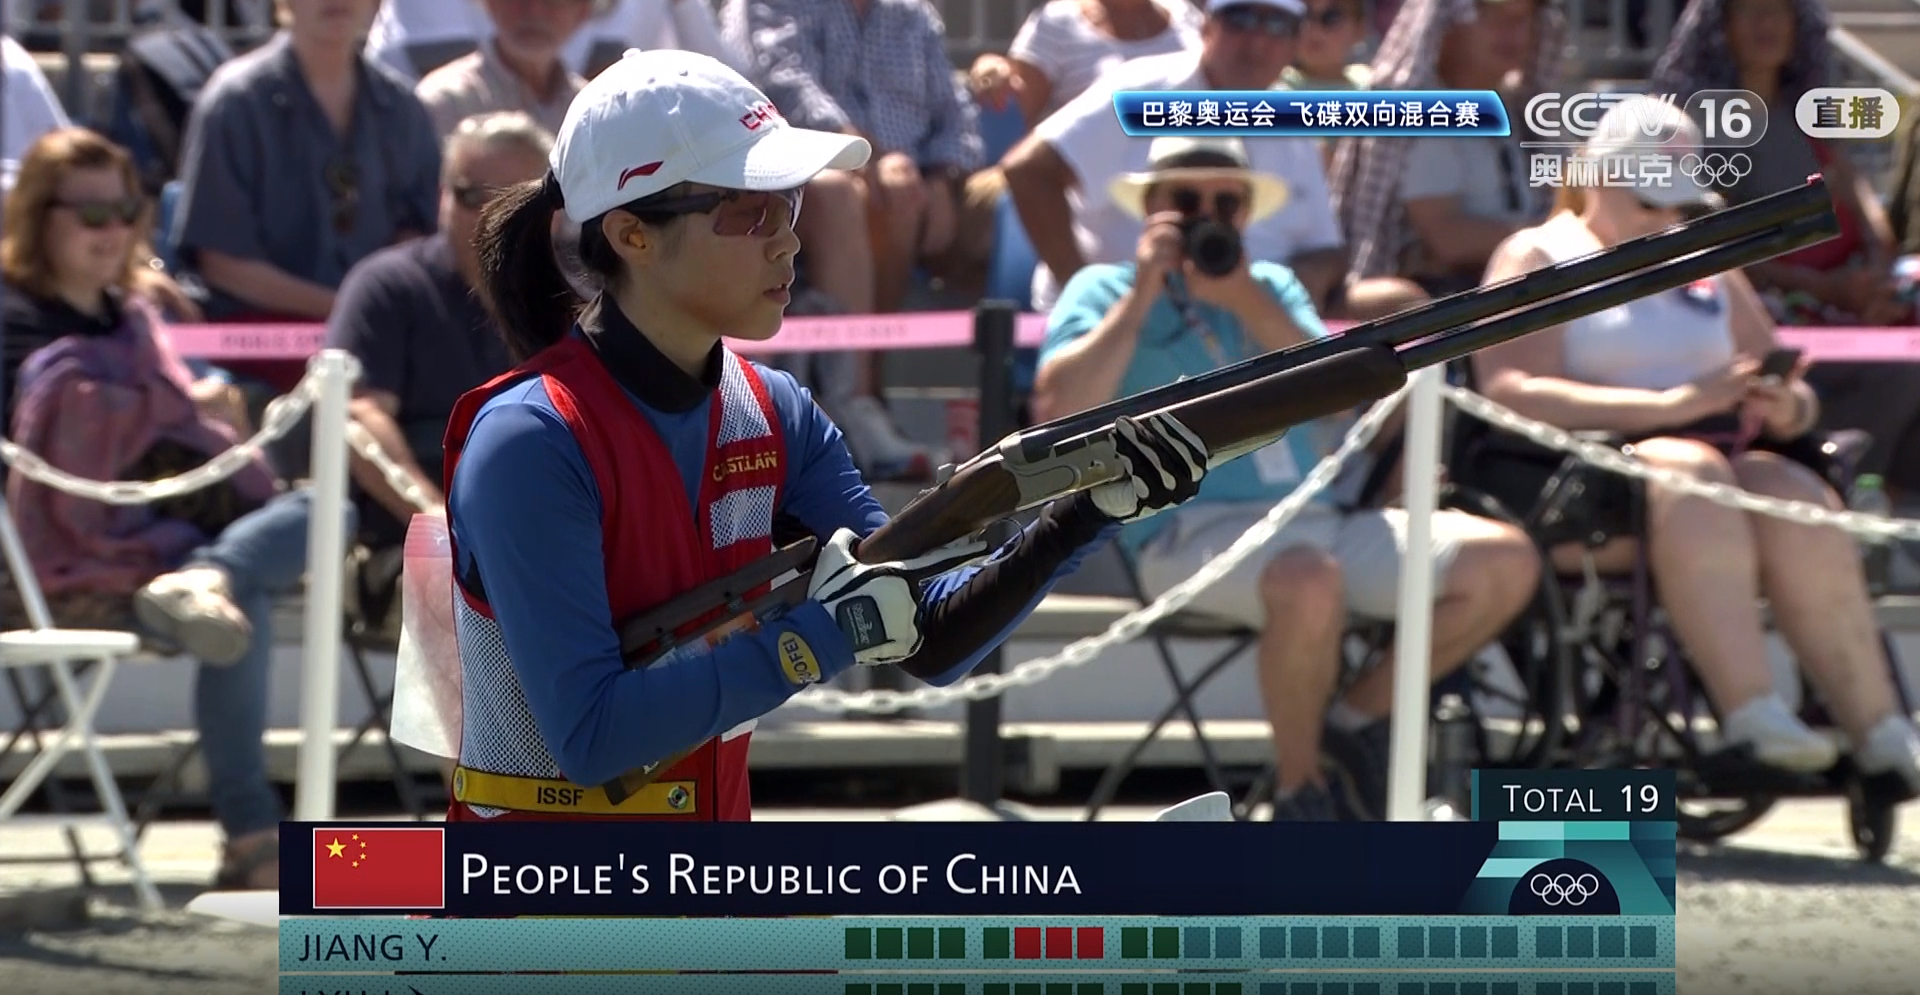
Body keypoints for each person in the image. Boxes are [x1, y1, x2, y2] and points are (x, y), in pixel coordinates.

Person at [439, 49, 1207, 822]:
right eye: (748, 212)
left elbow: (928, 633)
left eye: (789, 203)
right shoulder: (529, 439)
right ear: (631, 234)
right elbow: (593, 736)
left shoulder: (775, 409)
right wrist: (821, 638)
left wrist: (1084, 512)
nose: (788, 241)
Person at [1033, 136, 1541, 820]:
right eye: (1186, 200)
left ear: (1246, 214)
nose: (1207, 216)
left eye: (1226, 203)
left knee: (1503, 561)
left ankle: (1350, 724)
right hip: (1183, 534)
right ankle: (1305, 793)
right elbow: (1057, 409)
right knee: (1309, 581)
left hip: (1317, 521)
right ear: (1152, 208)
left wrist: (1246, 299)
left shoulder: (1269, 285)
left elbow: (1339, 395)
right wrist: (1143, 294)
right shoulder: (1103, 288)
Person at [1468, 97, 1920, 791]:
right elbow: (1508, 388)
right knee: (1694, 470)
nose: (1664, 219)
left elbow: (1788, 380)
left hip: (1710, 466)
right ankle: (1750, 709)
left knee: (1793, 492)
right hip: (1575, 474)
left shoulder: (1705, 259)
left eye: (1676, 202)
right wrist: (1672, 405)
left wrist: (1785, 405)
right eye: (1649, 201)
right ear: (1599, 177)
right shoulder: (1539, 254)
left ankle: (1879, 728)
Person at [0, 127, 341, 889]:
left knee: (330, 509)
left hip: (175, 536)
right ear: (37, 214)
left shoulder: (137, 317)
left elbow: (170, 426)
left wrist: (206, 411)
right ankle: (251, 834)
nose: (113, 230)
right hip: (60, 562)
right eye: (91, 214)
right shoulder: (13, 320)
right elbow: (41, 462)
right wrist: (169, 411)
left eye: (125, 211)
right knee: (241, 597)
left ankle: (208, 575)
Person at [1653, 0, 1920, 513]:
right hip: (1769, 301)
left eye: (1779, 11)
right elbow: (1707, 248)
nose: (1767, 24)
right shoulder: (1697, 125)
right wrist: (1824, 289)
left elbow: (1860, 201)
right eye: (1751, 12)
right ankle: (1849, 486)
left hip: (1850, 291)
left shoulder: (1811, 111)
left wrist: (1874, 269)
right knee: (1899, 372)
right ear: (1721, 28)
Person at [1002, 0, 1425, 321]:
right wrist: (1080, 285)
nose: (1257, 41)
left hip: (1256, 317)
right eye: (1241, 19)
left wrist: (1310, 279)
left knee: (1401, 306)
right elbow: (1028, 170)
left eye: (1277, 25)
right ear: (1207, 27)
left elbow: (1326, 248)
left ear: (1294, 44)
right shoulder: (1143, 87)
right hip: (1137, 310)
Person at [325, 112, 543, 555]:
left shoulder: (574, 294)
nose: (490, 215)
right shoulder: (387, 285)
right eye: (471, 196)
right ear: (442, 196)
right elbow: (361, 416)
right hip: (416, 543)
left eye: (513, 199)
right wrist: (441, 525)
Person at [170, 0, 441, 323]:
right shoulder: (236, 103)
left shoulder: (403, 108)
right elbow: (221, 263)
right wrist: (345, 309)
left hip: (378, 331)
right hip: (258, 334)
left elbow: (419, 234)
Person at [1328, 0, 1561, 298]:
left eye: (1522, 19)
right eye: (1492, 15)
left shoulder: (1518, 110)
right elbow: (1449, 240)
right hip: (1446, 300)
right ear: (1447, 24)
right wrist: (1549, 237)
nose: (1510, 32)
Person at [413, 0, 595, 138]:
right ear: (490, 4)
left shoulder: (593, 107)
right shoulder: (444, 103)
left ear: (583, 11)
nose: (534, 11)